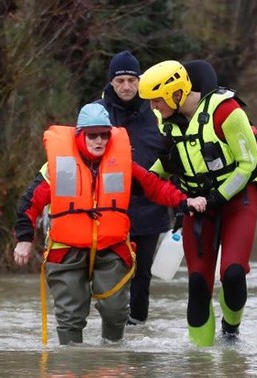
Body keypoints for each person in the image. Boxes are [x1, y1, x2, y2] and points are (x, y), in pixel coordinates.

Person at [12, 103, 206, 345]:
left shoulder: (123, 164)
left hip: (112, 247)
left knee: (116, 312)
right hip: (66, 250)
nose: (99, 140)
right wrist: (24, 239)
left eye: (104, 134)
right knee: (70, 316)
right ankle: (72, 364)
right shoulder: (57, 166)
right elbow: (29, 203)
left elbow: (155, 187)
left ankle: (112, 360)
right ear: (80, 135)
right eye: (92, 135)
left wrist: (185, 201)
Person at [138, 60, 257, 347]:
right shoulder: (166, 120)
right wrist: (145, 179)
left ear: (175, 93)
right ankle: (199, 361)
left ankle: (231, 331)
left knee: (233, 274)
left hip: (238, 197)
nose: (153, 107)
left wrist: (216, 198)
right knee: (198, 284)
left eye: (157, 100)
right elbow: (171, 158)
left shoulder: (227, 112)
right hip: (197, 204)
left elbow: (248, 164)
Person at [95, 50, 171, 326]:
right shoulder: (97, 112)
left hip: (151, 207)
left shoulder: (157, 111)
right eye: (120, 81)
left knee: (142, 275)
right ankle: (111, 328)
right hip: (108, 208)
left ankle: (138, 331)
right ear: (111, 83)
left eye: (131, 80)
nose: (126, 87)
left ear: (140, 81)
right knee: (110, 271)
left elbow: (174, 158)